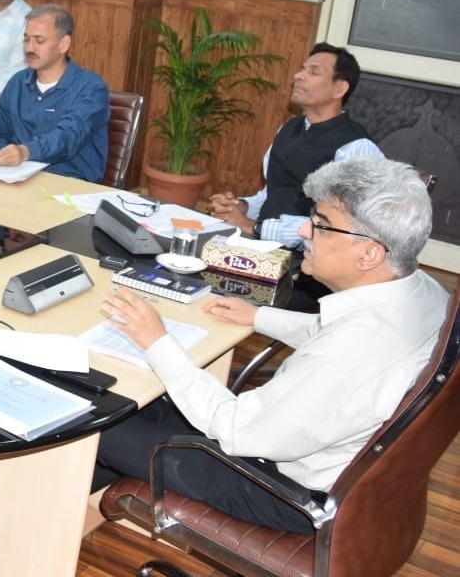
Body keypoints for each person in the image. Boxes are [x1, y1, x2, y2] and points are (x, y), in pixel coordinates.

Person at [94, 157, 448, 533]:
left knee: (95, 425)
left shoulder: (349, 354)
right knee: (137, 402)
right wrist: (258, 317)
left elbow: (235, 428)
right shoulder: (422, 292)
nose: (305, 231)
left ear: (369, 253)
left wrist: (156, 340)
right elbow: (328, 330)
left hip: (282, 491)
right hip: (336, 467)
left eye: (321, 225)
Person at [208, 44, 380, 248]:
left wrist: (252, 226)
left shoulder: (356, 147)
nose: (298, 76)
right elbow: (272, 195)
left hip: (310, 261)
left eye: (313, 72)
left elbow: (342, 226)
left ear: (339, 89)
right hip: (263, 246)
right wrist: (238, 207)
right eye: (302, 69)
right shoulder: (288, 128)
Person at [0, 4, 109, 181]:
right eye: (26, 40)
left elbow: (68, 138)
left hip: (66, 182)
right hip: (13, 178)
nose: (29, 48)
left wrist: (25, 152)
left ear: (63, 44)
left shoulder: (91, 89)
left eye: (39, 41)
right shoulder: (17, 82)